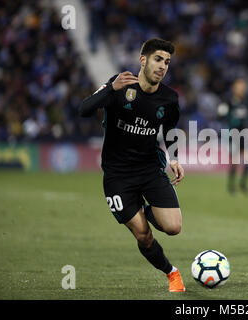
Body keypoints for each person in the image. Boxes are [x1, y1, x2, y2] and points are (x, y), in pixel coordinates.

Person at [79, 38, 186, 292]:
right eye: (158, 59)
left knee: (173, 227)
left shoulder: (169, 98)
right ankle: (172, 273)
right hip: (117, 176)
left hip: (149, 169)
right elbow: (84, 109)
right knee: (143, 235)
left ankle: (147, 208)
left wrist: (174, 157)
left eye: (167, 62)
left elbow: (170, 128)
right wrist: (109, 89)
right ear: (143, 60)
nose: (163, 66)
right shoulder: (120, 85)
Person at [221, 78, 248, 195]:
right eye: (240, 87)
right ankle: (231, 186)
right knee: (235, 162)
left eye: (243, 87)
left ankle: (243, 184)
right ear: (234, 88)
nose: (242, 89)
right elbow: (224, 116)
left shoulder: (246, 102)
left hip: (245, 135)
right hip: (234, 135)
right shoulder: (230, 102)